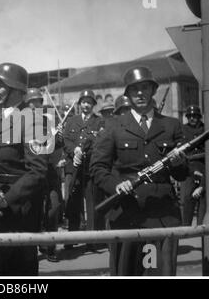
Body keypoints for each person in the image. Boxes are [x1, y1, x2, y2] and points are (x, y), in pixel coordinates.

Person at [90, 66, 188, 276]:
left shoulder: (171, 125)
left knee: (156, 273)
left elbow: (182, 174)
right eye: (135, 89)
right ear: (128, 94)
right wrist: (116, 184)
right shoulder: (114, 126)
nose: (140, 93)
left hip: (162, 215)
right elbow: (98, 168)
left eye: (145, 88)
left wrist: (178, 162)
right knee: (126, 272)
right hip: (126, 213)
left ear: (153, 91)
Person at [0, 63, 48, 276]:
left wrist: (6, 199)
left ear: (14, 88)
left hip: (18, 209)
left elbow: (37, 171)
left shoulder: (33, 120)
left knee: (19, 268)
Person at [25, 88, 62, 262]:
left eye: (38, 102)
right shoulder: (21, 124)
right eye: (32, 103)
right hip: (31, 173)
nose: (35, 106)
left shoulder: (50, 122)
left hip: (50, 173)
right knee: (33, 211)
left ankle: (50, 247)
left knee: (53, 208)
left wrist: (58, 136)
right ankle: (33, 246)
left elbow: (60, 146)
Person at [63, 90, 103, 242]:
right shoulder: (72, 121)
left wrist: (86, 151)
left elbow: (101, 143)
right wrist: (75, 150)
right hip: (74, 168)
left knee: (91, 204)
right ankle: (72, 238)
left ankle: (91, 240)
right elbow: (66, 140)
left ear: (93, 105)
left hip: (90, 168)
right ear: (80, 104)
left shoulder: (99, 122)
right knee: (73, 202)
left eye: (89, 102)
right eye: (84, 102)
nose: (86, 105)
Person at [180, 105, 205, 225]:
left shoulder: (205, 129)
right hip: (188, 167)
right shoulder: (182, 129)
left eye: (195, 116)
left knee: (204, 198)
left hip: (204, 166)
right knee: (187, 199)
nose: (192, 118)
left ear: (199, 117)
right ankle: (186, 227)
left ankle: (202, 226)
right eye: (189, 116)